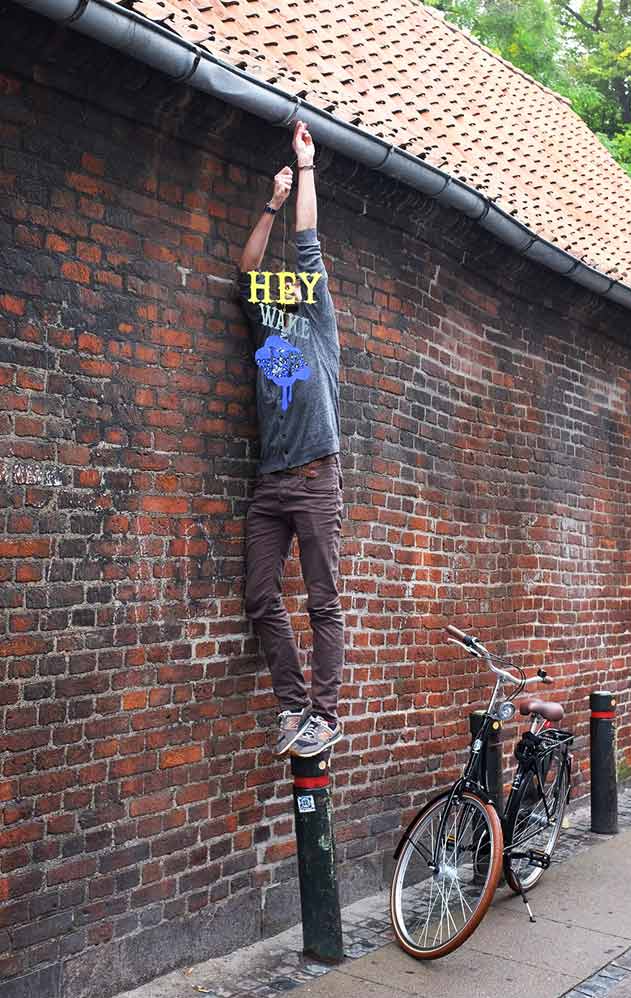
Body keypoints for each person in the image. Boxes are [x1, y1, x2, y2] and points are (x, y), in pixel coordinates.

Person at [236, 120, 344, 758]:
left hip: (314, 478)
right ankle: (291, 704)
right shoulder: (266, 324)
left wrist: (304, 169)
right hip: (270, 485)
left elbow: (308, 243)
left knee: (322, 601)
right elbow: (247, 268)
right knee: (259, 595)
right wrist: (271, 202)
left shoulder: (319, 323)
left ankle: (325, 716)